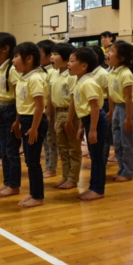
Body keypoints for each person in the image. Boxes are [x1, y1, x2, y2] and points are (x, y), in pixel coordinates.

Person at [67, 47, 109, 201]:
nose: (68, 64)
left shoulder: (89, 83)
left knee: (97, 157)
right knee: (94, 156)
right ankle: (93, 187)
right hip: (88, 121)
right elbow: (82, 108)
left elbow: (95, 107)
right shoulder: (80, 81)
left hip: (96, 122)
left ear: (84, 65)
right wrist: (81, 128)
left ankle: (98, 189)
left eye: (72, 61)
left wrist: (92, 130)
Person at [12, 42, 48, 208]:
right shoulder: (23, 78)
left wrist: (34, 128)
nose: (13, 61)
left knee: (33, 161)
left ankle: (38, 196)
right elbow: (22, 103)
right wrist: (18, 121)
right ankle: (33, 192)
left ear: (29, 58)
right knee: (29, 160)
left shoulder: (35, 78)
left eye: (16, 56)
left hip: (35, 121)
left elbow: (39, 106)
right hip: (26, 120)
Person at [0, 32, 21, 197]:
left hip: (11, 111)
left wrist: (17, 120)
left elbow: (18, 98)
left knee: (11, 150)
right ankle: (7, 182)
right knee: (3, 150)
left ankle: (14, 185)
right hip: (1, 109)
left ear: (5, 48)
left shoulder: (12, 69)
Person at [48, 43, 81, 190]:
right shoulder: (55, 75)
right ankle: (65, 176)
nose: (51, 57)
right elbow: (54, 99)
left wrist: (69, 120)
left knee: (73, 148)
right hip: (60, 112)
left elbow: (74, 99)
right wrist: (55, 119)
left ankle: (73, 178)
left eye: (55, 54)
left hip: (71, 114)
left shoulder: (71, 76)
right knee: (63, 148)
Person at [107, 41, 133, 182]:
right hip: (118, 109)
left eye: (111, 51)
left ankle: (128, 172)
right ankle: (121, 170)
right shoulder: (112, 72)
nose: (107, 53)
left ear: (121, 58)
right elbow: (110, 94)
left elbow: (128, 97)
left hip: (128, 109)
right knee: (118, 142)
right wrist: (111, 110)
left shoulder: (125, 73)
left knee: (127, 143)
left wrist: (128, 118)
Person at [37, 39, 59, 178]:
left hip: (49, 109)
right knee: (45, 140)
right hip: (42, 108)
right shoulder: (42, 70)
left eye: (40, 53)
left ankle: (52, 168)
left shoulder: (52, 72)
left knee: (51, 140)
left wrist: (49, 112)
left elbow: (50, 93)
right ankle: (48, 166)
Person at [89, 46, 112, 163]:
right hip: (92, 106)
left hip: (103, 104)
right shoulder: (89, 73)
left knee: (104, 135)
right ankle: (96, 158)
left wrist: (111, 110)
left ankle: (103, 159)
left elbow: (109, 93)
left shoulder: (102, 73)